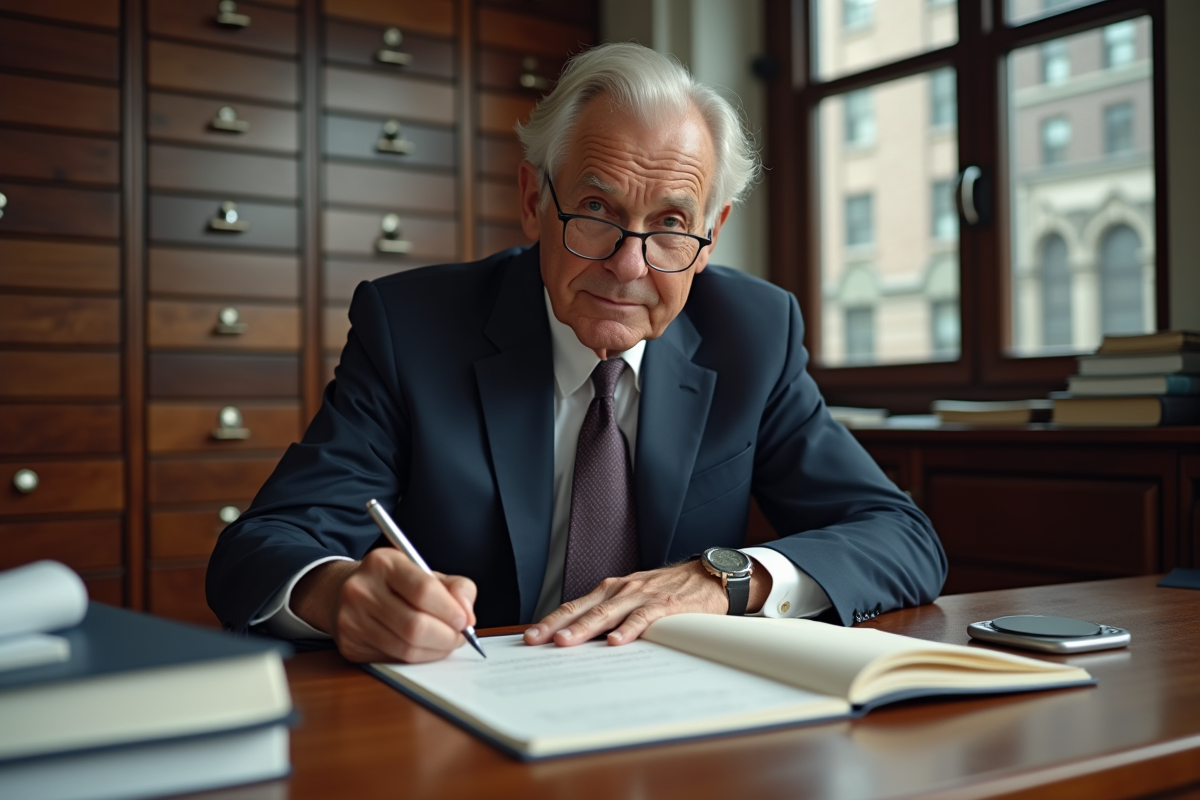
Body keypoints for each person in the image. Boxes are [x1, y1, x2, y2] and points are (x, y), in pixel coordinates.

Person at [206, 42, 946, 664]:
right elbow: (260, 546)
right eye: (596, 210)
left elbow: (900, 536)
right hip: (469, 704)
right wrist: (340, 594)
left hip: (678, 720)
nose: (628, 265)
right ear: (534, 200)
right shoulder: (413, 328)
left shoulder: (753, 334)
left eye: (671, 224)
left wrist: (724, 579)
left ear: (711, 236)